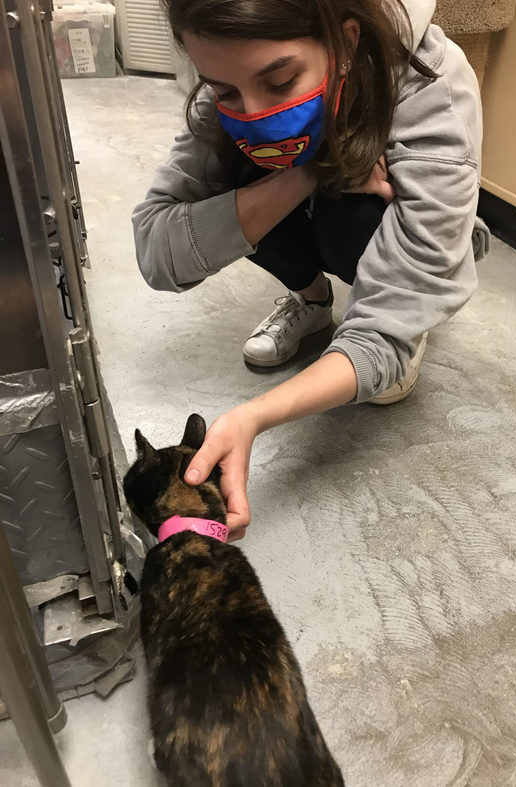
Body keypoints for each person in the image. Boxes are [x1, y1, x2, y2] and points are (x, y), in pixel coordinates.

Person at [132, 0, 490, 541]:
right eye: (224, 91)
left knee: (370, 220)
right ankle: (313, 302)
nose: (251, 109)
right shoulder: (230, 94)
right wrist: (312, 170)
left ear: (345, 42)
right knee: (242, 186)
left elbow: (379, 341)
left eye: (279, 81)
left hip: (383, 230)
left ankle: (401, 308)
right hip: (323, 187)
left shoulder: (433, 90)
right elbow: (159, 250)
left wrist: (255, 415)